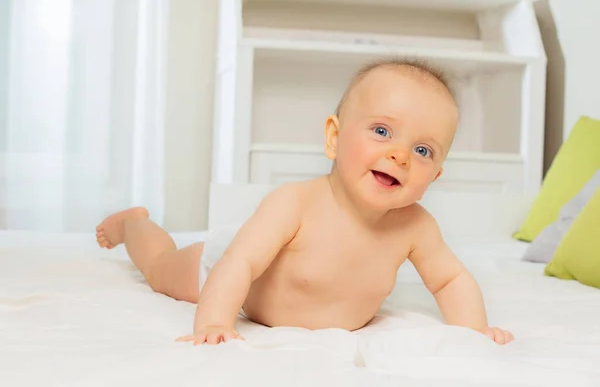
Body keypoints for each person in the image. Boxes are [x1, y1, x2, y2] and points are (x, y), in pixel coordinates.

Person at [96, 59, 514, 346]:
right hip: (228, 274)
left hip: (248, 274)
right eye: (382, 132)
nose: (400, 155)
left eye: (423, 151)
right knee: (160, 270)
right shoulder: (294, 203)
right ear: (334, 137)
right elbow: (239, 264)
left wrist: (474, 332)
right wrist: (215, 322)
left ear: (435, 175)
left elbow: (449, 281)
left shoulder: (415, 227)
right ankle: (133, 224)